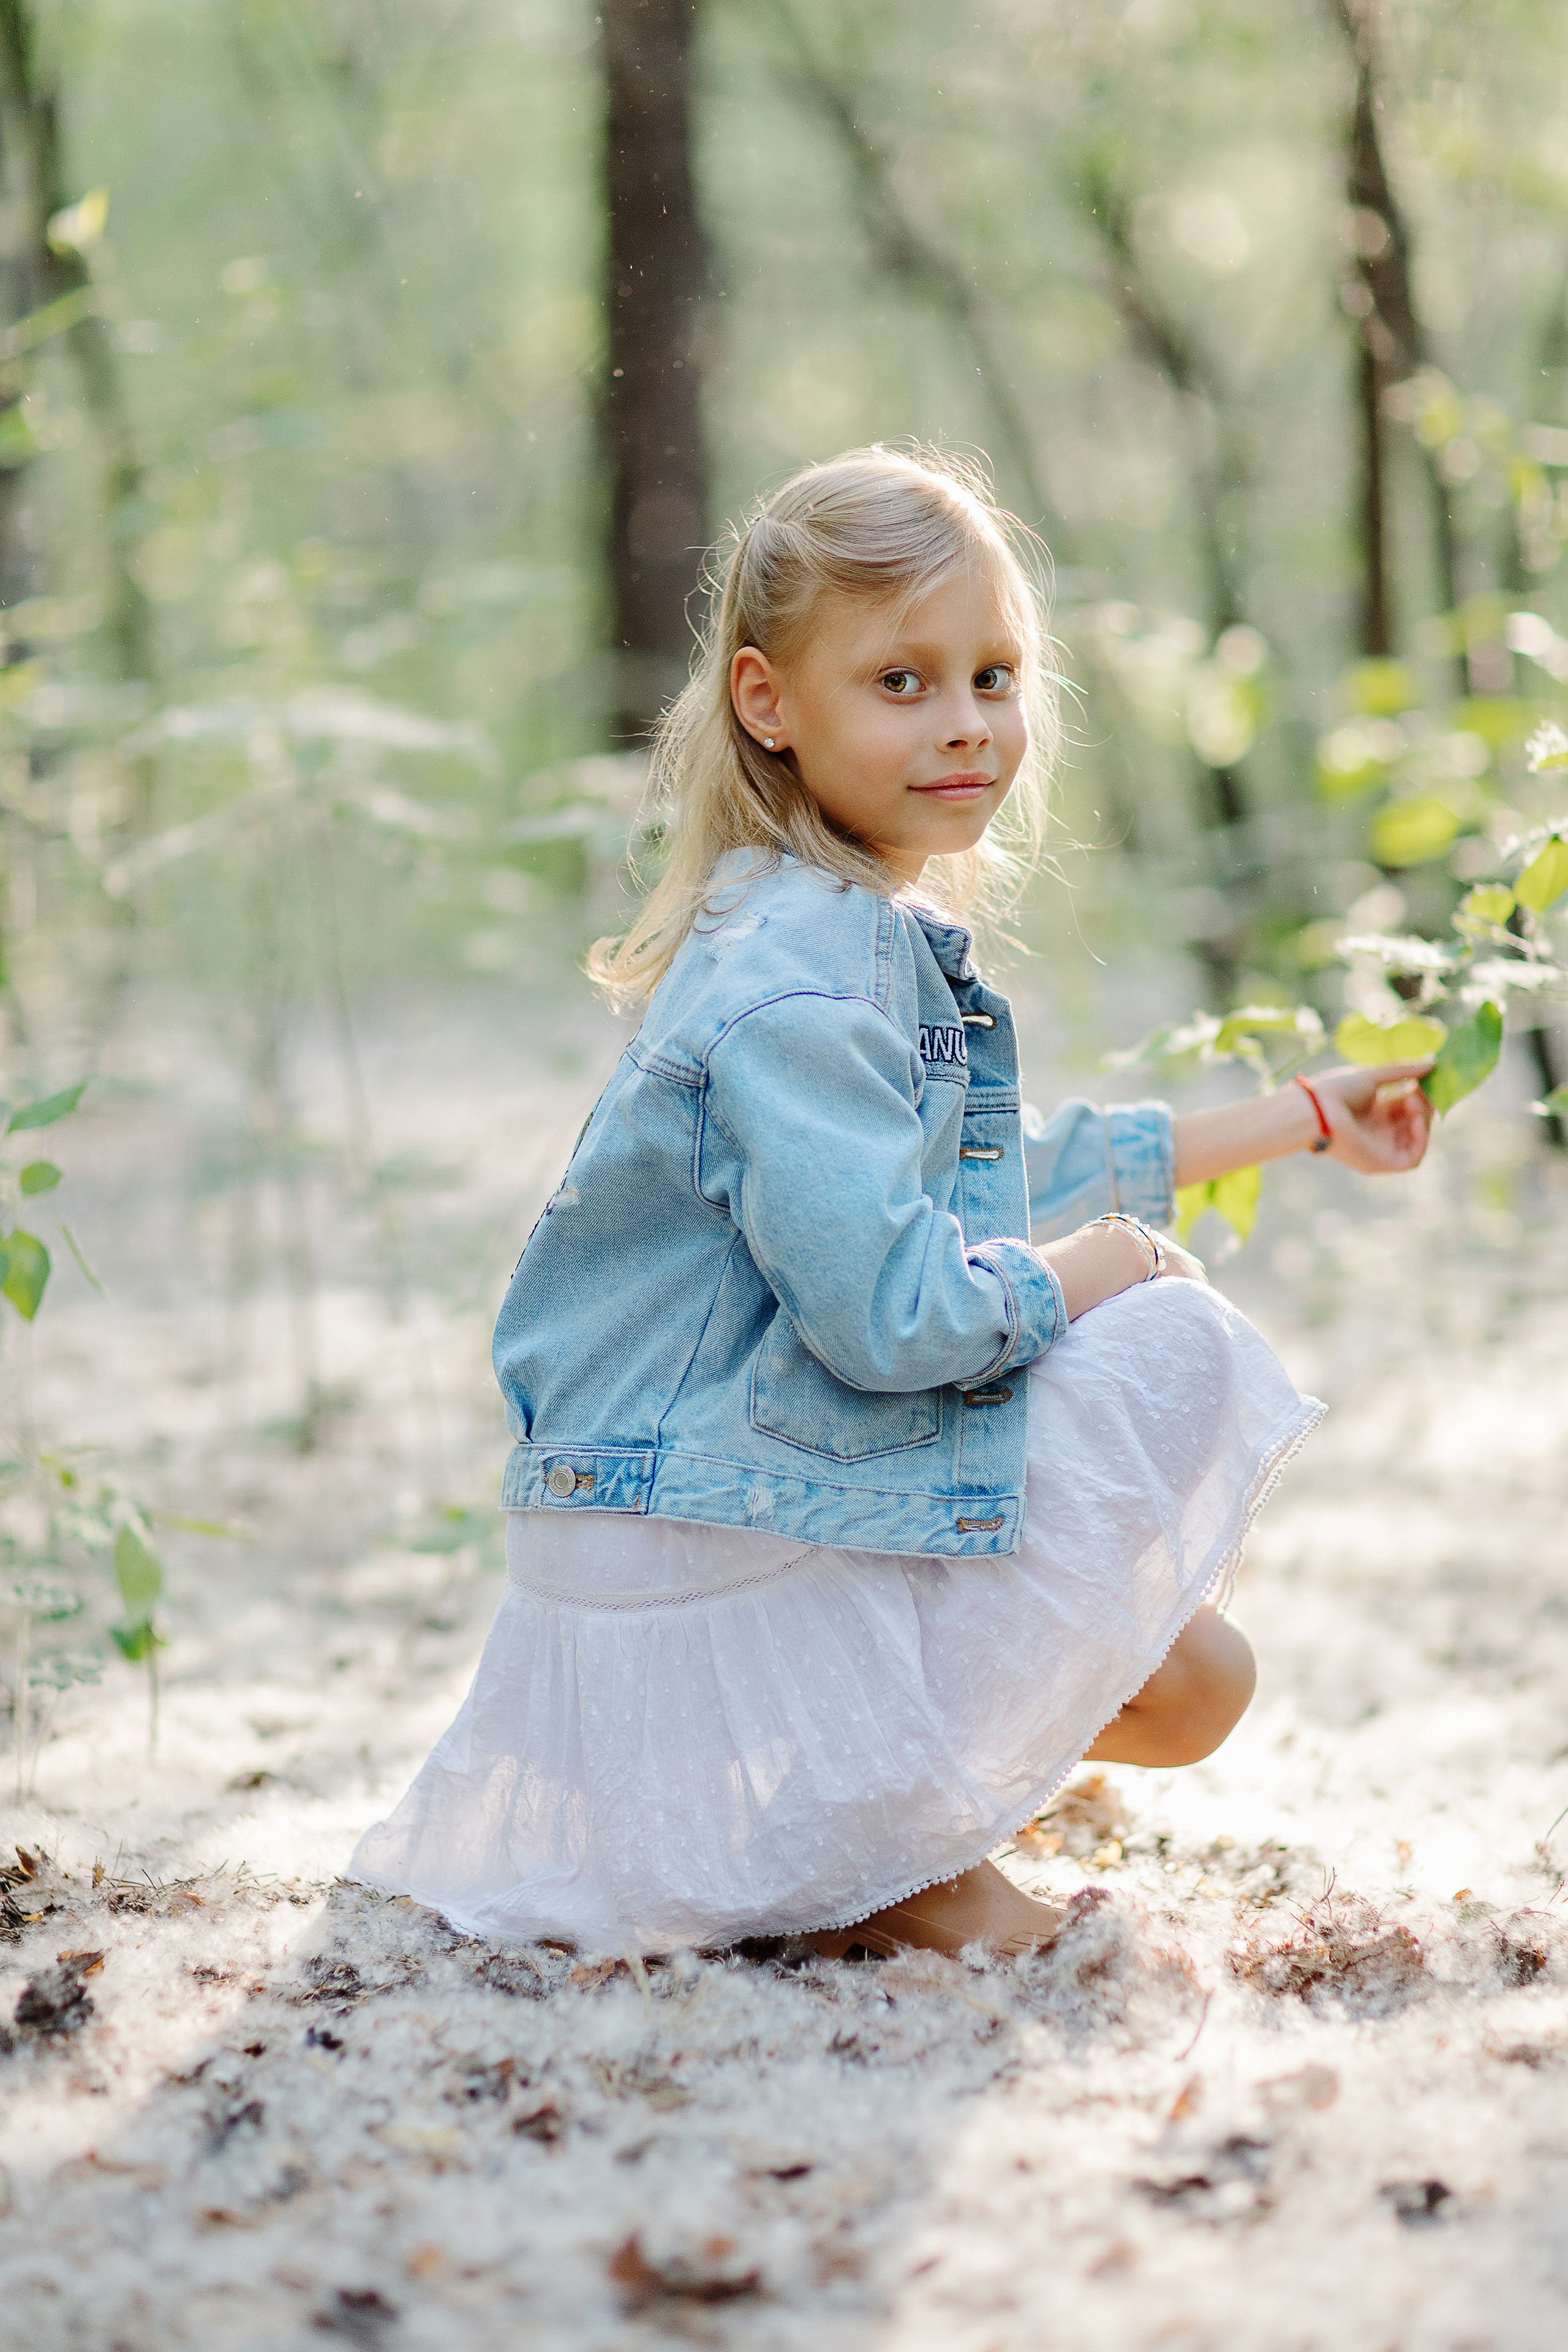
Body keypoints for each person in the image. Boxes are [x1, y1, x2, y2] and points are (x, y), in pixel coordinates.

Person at [351, 447, 1433, 1961]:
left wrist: (1298, 1118)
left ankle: (870, 1812)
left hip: (729, 1507)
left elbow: (978, 1181)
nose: (966, 724)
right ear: (766, 702)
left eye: (992, 675)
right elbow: (892, 1318)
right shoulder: (801, 974)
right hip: (693, 1539)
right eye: (901, 681)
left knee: (1193, 1690)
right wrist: (1097, 1273)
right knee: (1170, 1340)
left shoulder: (837, 927)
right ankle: (882, 1858)